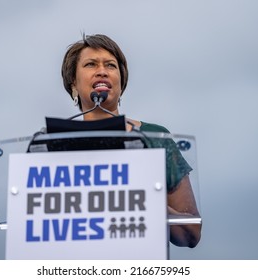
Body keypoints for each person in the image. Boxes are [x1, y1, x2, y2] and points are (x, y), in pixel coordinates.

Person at [61, 34, 201, 248]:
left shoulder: (153, 138)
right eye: (90, 64)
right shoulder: (51, 145)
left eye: (110, 65)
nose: (102, 71)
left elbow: (191, 233)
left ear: (121, 82)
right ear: (73, 82)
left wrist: (142, 198)